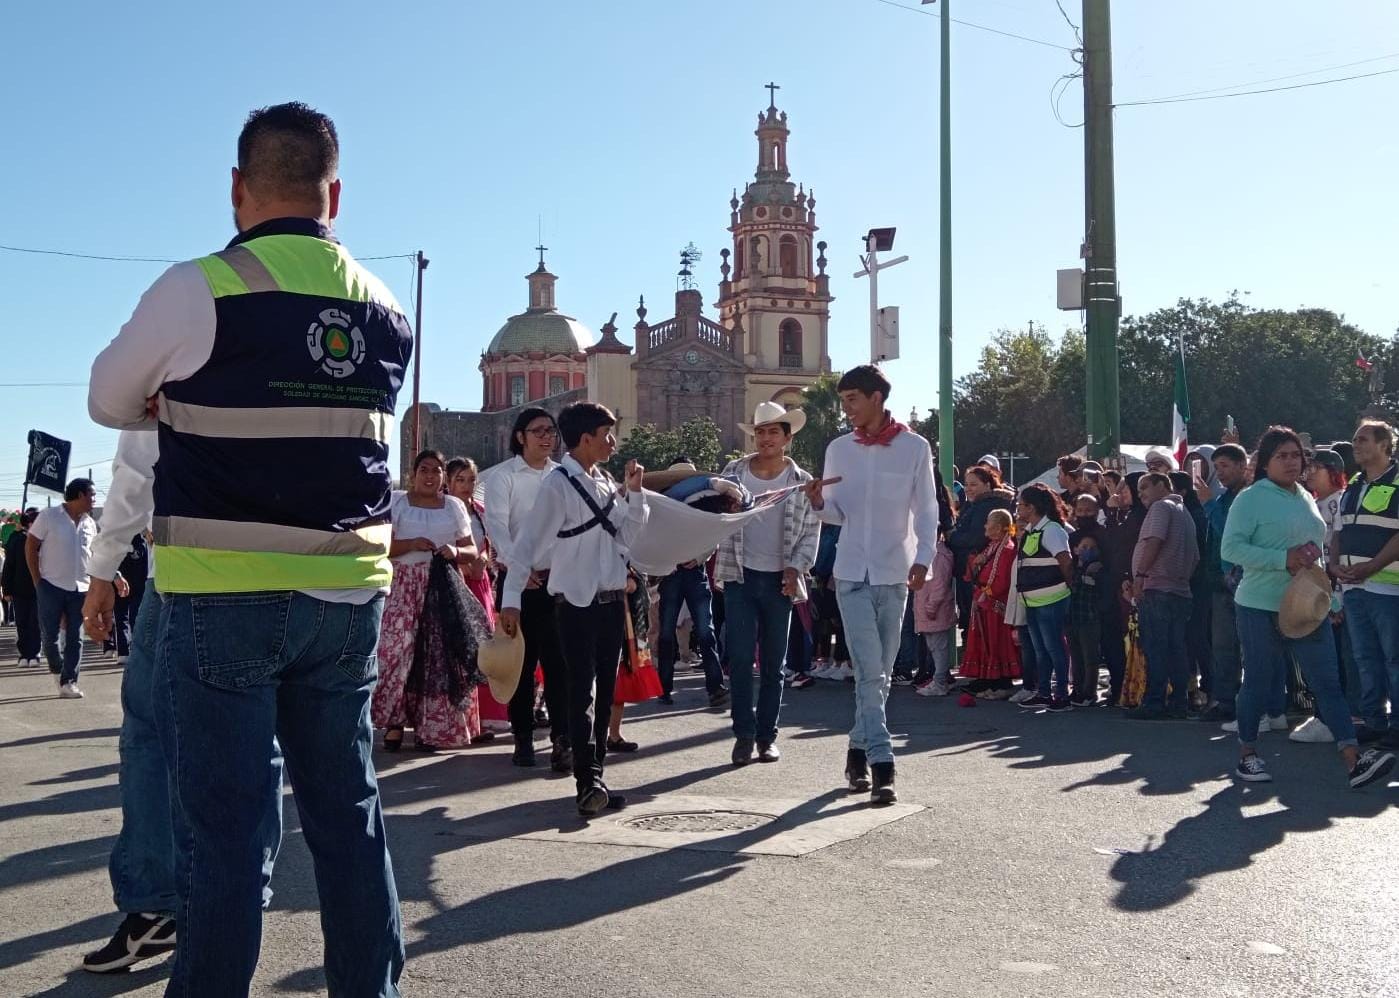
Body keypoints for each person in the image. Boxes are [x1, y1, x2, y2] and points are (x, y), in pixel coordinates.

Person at [87, 102, 408, 995]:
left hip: (220, 595)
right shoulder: (384, 307)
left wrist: (170, 396)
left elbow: (108, 398)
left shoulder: (198, 287)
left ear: (237, 189)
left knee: (222, 838)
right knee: (350, 820)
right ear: (333, 195)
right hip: (346, 598)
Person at [80, 430, 284, 973]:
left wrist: (104, 566)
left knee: (150, 738)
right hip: (310, 565)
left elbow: (138, 457)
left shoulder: (182, 346)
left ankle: (160, 904)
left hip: (193, 565)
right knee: (267, 737)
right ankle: (241, 898)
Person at [1222, 426, 1394, 788]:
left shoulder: (1304, 496)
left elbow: (1314, 557)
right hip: (1259, 606)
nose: (1290, 462)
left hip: (1306, 608)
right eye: (1281, 456)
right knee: (1257, 680)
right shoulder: (1250, 499)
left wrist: (1330, 600)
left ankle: (1352, 759)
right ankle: (1248, 754)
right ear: (1265, 461)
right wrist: (1281, 558)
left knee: (1328, 683)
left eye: (1296, 455)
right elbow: (1231, 550)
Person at [500, 402, 648, 816]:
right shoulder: (558, 485)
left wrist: (634, 493)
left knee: (604, 694)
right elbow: (527, 546)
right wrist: (511, 600)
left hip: (609, 601)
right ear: (586, 439)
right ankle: (587, 783)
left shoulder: (603, 482)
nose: (613, 443)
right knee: (581, 692)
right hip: (575, 604)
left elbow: (628, 535)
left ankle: (595, 773)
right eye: (607, 434)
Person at [803, 365, 940, 804]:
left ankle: (856, 752)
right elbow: (835, 514)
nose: (846, 408)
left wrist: (924, 559)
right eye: (843, 401)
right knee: (868, 669)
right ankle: (883, 763)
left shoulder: (916, 448)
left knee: (879, 675)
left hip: (895, 571)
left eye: (852, 400)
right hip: (849, 574)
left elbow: (926, 509)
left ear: (876, 397)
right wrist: (820, 502)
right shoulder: (838, 449)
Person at [717, 402, 819, 765]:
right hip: (739, 574)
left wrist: (796, 568)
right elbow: (714, 513)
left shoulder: (801, 481)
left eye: (773, 431)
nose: (766, 438)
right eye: (760, 432)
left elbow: (810, 531)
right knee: (742, 659)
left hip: (781, 579)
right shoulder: (734, 472)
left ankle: (767, 736)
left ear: (787, 438)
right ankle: (743, 735)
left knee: (775, 664)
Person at [371, 450, 486, 751]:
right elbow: (380, 546)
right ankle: (394, 721)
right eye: (424, 469)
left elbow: (472, 549)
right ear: (413, 472)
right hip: (403, 585)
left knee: (440, 656)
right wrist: (411, 544)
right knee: (396, 653)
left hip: (442, 585)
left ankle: (434, 727)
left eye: (436, 470)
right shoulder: (396, 502)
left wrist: (455, 552)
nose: (430, 475)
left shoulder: (453, 506)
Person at [483, 408, 571, 771]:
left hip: (560, 580)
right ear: (520, 436)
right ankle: (522, 736)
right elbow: (499, 530)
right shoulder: (503, 478)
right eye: (538, 431)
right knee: (522, 661)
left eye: (551, 431)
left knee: (560, 664)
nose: (547, 437)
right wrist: (522, 568)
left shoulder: (563, 475)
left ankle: (562, 739)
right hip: (520, 582)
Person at [1333, 420, 1399, 750]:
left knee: (1393, 659)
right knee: (1365, 658)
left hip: (1388, 588)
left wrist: (1373, 566)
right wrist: (1334, 566)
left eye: (1363, 439)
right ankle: (1374, 722)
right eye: (1355, 438)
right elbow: (1338, 531)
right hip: (1354, 587)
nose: (1355, 445)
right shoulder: (1355, 484)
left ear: (1385, 445)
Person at [653, 460, 729, 711]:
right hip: (674, 572)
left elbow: (712, 535)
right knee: (667, 633)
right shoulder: (664, 504)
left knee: (704, 631)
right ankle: (664, 687)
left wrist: (697, 557)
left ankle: (715, 686)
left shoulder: (700, 502)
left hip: (690, 571)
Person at [1124, 473, 1200, 720]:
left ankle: (1154, 702)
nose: (1140, 493)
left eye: (1145, 487)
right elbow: (1196, 556)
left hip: (1157, 589)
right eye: (1138, 490)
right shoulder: (1185, 513)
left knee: (1156, 647)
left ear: (1163, 485)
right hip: (1180, 591)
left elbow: (1155, 541)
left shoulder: (1161, 507)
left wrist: (1141, 575)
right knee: (1176, 649)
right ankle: (1179, 702)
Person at [27, 477, 98, 698]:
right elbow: (31, 546)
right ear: (79, 496)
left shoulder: (90, 523)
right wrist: (37, 581)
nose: (94, 500)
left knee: (76, 637)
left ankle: (69, 681)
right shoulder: (48, 517)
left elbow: (94, 555)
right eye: (91, 495)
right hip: (51, 585)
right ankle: (57, 669)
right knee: (50, 638)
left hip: (81, 588)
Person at [1196, 444, 1249, 722]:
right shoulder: (1224, 496)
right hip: (1219, 581)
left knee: (1249, 646)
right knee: (1222, 645)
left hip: (1243, 580)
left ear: (1243, 465)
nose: (1221, 473)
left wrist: (1207, 503)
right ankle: (1225, 699)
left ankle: (1257, 703)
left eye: (1226, 466)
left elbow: (1230, 531)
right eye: (1217, 467)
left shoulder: (1247, 496)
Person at [1013, 484, 1075, 712]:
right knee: (1041, 649)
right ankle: (1044, 693)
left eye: (1021, 505)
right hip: (1032, 600)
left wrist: (1071, 588)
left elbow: (1065, 561)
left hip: (1052, 599)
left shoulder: (1052, 530)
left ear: (1032, 507)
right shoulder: (1032, 529)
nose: (1018, 508)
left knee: (1054, 647)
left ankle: (1061, 694)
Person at [948, 464, 1014, 646]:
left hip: (980, 573)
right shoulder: (976, 505)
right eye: (966, 484)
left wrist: (951, 536)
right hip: (975, 571)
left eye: (973, 484)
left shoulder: (985, 507)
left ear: (987, 485)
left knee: (979, 620)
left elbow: (975, 538)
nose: (968, 489)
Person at [958, 509, 1021, 699]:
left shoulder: (1007, 549)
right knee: (984, 641)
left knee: (995, 641)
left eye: (989, 522)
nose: (985, 526)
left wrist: (986, 594)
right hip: (983, 602)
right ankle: (985, 676)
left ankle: (998, 678)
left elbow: (1002, 581)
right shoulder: (992, 546)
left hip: (994, 605)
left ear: (1001, 527)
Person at [1101, 472, 1147, 706]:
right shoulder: (1128, 515)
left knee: (1131, 639)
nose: (1120, 494)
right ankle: (1121, 685)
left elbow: (1120, 541)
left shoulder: (1141, 516)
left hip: (1131, 584)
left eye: (1125, 489)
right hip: (1117, 582)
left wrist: (1112, 512)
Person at [1170, 469, 1213, 708]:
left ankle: (1208, 686)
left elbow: (1196, 554)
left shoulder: (1196, 515)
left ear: (1182, 492)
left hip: (1196, 583)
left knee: (1197, 638)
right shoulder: (1183, 514)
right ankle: (1193, 687)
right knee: (1188, 638)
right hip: (1186, 583)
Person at [913, 532, 957, 696]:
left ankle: (940, 682)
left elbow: (940, 584)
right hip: (926, 607)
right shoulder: (931, 554)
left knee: (939, 647)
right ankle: (939, 679)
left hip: (934, 609)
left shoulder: (939, 556)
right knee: (934, 647)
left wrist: (931, 607)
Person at [1067, 521, 1104, 705]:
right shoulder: (1072, 569)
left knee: (1090, 658)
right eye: (1084, 547)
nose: (1088, 550)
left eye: (1092, 547)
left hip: (1089, 618)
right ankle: (1077, 689)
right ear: (1075, 549)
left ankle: (1089, 692)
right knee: (1076, 657)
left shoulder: (1098, 569)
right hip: (1073, 617)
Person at [1, 508, 41, 666]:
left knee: (35, 622)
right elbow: (9, 566)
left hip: (39, 588)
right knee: (22, 622)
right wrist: (7, 588)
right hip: (19, 588)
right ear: (29, 523)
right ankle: (24, 654)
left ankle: (35, 653)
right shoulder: (16, 539)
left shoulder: (44, 541)